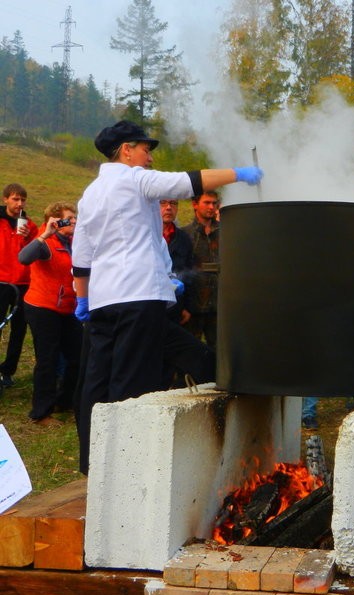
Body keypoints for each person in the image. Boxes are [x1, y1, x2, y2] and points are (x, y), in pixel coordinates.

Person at [72, 119, 263, 475]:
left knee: (98, 378)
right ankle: (126, 463)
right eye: (146, 149)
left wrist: (83, 299)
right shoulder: (133, 178)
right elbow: (186, 182)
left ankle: (92, 460)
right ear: (126, 150)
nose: (150, 157)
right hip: (137, 296)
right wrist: (238, 173)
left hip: (105, 299)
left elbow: (82, 256)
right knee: (132, 379)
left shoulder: (91, 193)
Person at [18, 203, 81, 426]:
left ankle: (64, 401)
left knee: (77, 356)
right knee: (48, 359)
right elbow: (23, 258)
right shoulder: (46, 243)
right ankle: (41, 413)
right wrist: (46, 233)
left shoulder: (74, 242)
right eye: (69, 219)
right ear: (56, 221)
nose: (74, 222)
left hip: (67, 308)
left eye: (74, 218)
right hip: (42, 308)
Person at [0, 183, 39, 388]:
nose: (19, 203)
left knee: (18, 331)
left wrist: (25, 239)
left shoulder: (29, 225)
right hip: (1, 282)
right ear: (6, 199)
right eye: (15, 199)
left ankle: (8, 371)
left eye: (22, 200)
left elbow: (34, 253)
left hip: (24, 284)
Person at [183, 191, 220, 348]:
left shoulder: (226, 232)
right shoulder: (185, 234)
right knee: (189, 349)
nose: (211, 207)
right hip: (193, 306)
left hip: (219, 306)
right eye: (207, 203)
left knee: (219, 351)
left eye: (214, 203)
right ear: (195, 204)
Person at [160, 199, 193, 325]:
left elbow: (188, 271)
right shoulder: (144, 235)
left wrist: (187, 306)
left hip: (175, 307)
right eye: (163, 202)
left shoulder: (184, 238)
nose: (168, 207)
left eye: (173, 203)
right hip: (149, 305)